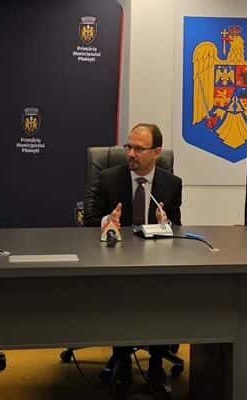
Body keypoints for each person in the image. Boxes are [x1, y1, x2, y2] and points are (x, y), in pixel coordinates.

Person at [85, 123, 182, 396]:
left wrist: (166, 223)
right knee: (121, 297)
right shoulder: (108, 179)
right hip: (116, 261)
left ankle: (156, 365)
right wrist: (108, 221)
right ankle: (123, 362)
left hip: (155, 263)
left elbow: (176, 227)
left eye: (139, 149)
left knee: (164, 297)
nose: (130, 154)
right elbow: (90, 221)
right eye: (128, 147)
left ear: (157, 152)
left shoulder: (171, 184)